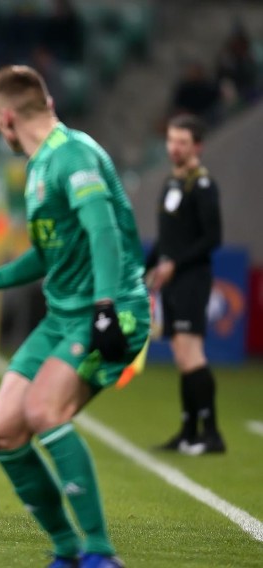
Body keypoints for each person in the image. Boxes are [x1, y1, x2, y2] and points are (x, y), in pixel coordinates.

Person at [0, 65, 150, 568]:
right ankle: (67, 552)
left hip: (112, 312)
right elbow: (49, 252)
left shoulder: (74, 156)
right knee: (3, 432)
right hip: (63, 317)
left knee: (44, 413)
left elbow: (104, 234)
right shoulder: (37, 167)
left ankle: (99, 554)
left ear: (6, 117)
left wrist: (105, 307)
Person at [147, 114, 225, 455]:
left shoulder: (202, 185)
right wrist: (146, 269)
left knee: (192, 353)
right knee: (182, 354)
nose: (174, 148)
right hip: (174, 280)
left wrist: (174, 265)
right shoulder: (172, 182)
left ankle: (211, 434)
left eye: (182, 142)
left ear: (197, 146)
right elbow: (166, 239)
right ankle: (188, 431)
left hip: (192, 278)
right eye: (171, 141)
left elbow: (213, 237)